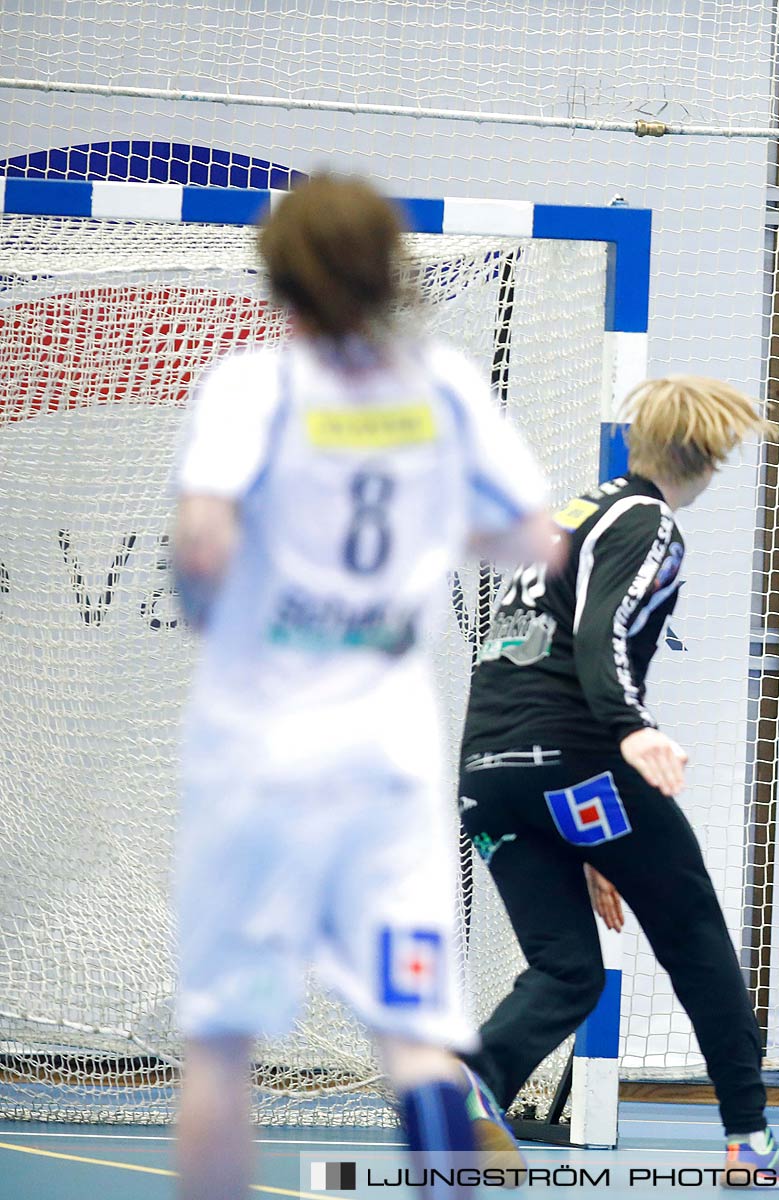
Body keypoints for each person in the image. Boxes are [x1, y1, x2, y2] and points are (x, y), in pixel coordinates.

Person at [170, 174, 563, 1200]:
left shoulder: (253, 387)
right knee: (416, 1036)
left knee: (219, 1047)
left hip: (257, 743)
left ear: (280, 273)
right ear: (392, 269)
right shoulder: (440, 389)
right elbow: (536, 540)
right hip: (385, 753)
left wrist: (226, 610)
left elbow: (202, 547)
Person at [456, 376, 779, 1188]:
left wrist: (578, 836)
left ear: (635, 440)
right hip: (578, 755)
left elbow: (531, 651)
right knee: (694, 939)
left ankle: (471, 1081)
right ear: (712, 460)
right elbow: (602, 629)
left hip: (492, 776)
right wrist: (631, 730)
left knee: (567, 972)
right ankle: (749, 1147)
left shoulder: (568, 517)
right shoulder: (647, 519)